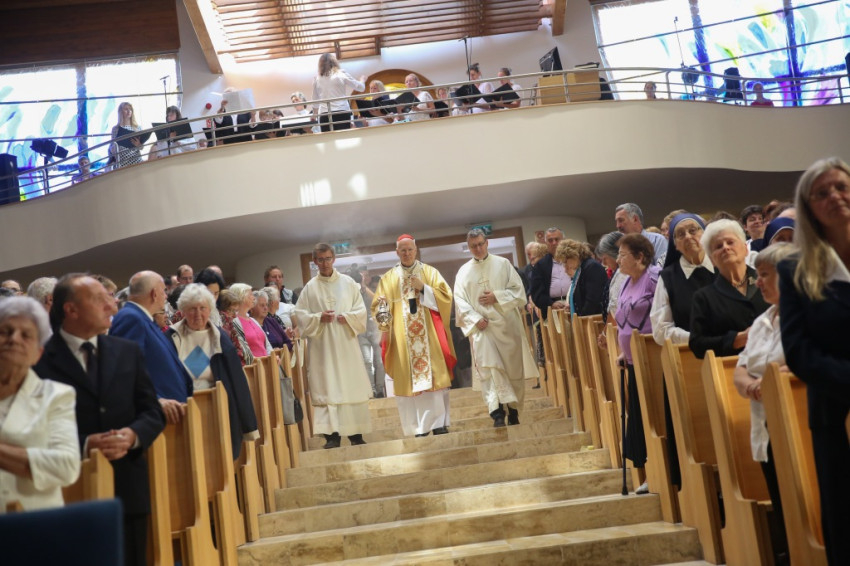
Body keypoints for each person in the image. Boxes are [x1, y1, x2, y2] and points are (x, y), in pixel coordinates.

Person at [34, 274, 165, 566]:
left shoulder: (126, 351)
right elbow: (33, 429)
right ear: (71, 309)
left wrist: (133, 435)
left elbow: (151, 411)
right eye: (99, 300)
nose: (112, 306)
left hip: (127, 488)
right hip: (69, 491)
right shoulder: (38, 361)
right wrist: (84, 444)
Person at [778, 157, 850, 564]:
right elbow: (798, 350)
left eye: (841, 187)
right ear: (809, 208)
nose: (835, 197)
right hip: (835, 412)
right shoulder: (795, 267)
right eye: (822, 193)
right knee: (845, 517)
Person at [733, 243, 794, 565]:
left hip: (796, 423)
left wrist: (770, 380)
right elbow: (740, 368)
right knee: (781, 499)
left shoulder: (808, 314)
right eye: (757, 275)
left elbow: (804, 361)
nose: (758, 282)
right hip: (765, 424)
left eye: (765, 275)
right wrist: (750, 385)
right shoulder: (762, 321)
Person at [0, 296, 80, 511]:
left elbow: (66, 466)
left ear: (38, 354)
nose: (14, 339)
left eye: (26, 335)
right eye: (5, 332)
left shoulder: (56, 395)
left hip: (35, 521)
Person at [373, 234, 456, 437]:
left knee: (434, 379)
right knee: (409, 383)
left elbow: (446, 297)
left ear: (415, 250)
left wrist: (424, 288)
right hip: (403, 341)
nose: (407, 253)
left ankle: (438, 424)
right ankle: (419, 428)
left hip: (429, 337)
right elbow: (378, 308)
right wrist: (383, 311)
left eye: (410, 249)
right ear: (397, 252)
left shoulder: (429, 272)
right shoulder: (388, 279)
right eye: (403, 250)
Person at [454, 229, 537, 427]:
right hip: (483, 329)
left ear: (487, 243)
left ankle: (514, 410)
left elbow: (519, 293)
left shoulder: (503, 264)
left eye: (480, 244)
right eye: (473, 246)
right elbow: (459, 301)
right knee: (489, 370)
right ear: (469, 247)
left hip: (507, 326)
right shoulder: (463, 272)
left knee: (511, 371)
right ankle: (497, 412)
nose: (478, 249)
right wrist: (475, 319)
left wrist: (496, 296)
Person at [165, 284, 258, 459]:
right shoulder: (171, 337)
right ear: (183, 311)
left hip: (218, 409)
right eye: (192, 309)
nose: (198, 314)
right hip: (183, 411)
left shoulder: (220, 337)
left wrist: (248, 425)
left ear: (210, 310)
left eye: (203, 308)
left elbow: (237, 382)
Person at [294, 244, 373, 448]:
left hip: (346, 344)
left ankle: (355, 434)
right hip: (323, 348)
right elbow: (300, 316)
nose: (325, 263)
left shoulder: (348, 283)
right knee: (327, 387)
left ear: (334, 259)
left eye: (328, 258)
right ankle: (332, 437)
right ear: (314, 262)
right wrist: (318, 317)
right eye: (320, 260)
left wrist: (348, 317)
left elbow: (361, 311)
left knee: (349, 386)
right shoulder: (310, 288)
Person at [110, 271, 193, 423]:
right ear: (154, 294)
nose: (166, 296)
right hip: (157, 415)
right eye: (164, 291)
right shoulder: (131, 318)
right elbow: (124, 370)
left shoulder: (144, 319)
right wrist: (156, 399)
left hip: (170, 414)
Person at [614, 233, 661, 494]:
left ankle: (659, 472)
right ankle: (650, 472)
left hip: (651, 359)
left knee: (652, 417)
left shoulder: (654, 278)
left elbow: (663, 315)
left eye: (623, 255)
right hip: (633, 360)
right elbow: (624, 321)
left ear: (640, 256)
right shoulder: (625, 282)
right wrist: (624, 351)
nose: (618, 259)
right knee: (640, 419)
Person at [689, 219, 769, 359]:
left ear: (745, 249)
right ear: (712, 260)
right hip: (732, 368)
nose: (725, 248)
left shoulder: (769, 280)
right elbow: (697, 345)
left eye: (730, 242)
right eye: (718, 246)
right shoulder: (704, 297)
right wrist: (736, 340)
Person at [651, 213, 715, 346]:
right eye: (680, 234)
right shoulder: (668, 278)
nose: (688, 236)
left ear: (705, 234)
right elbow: (660, 329)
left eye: (693, 230)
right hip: (691, 352)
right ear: (675, 244)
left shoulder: (723, 264)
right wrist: (695, 338)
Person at [312, 53, 366, 132]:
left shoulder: (317, 79)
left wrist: (314, 114)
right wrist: (362, 80)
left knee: (328, 138)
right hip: (341, 111)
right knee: (343, 137)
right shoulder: (341, 74)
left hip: (325, 113)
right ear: (335, 62)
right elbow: (360, 87)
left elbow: (315, 100)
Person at [554, 239, 608, 316]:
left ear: (574, 255)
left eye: (566, 261)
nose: (566, 266)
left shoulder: (591, 266)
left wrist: (582, 318)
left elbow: (592, 299)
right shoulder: (581, 268)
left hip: (594, 317)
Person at [529, 227, 569, 320]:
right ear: (546, 243)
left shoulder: (574, 260)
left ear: (563, 240)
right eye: (550, 240)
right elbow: (536, 293)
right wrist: (551, 304)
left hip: (574, 305)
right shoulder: (540, 265)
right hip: (551, 309)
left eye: (557, 239)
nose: (554, 243)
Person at [229, 283, 271, 365]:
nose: (253, 298)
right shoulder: (234, 321)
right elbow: (242, 350)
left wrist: (272, 357)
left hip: (266, 365)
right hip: (252, 367)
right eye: (250, 295)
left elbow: (267, 344)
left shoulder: (253, 320)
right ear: (242, 297)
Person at [596, 231, 626, 323]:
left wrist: (607, 330)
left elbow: (615, 308)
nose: (604, 263)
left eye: (605, 258)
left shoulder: (623, 273)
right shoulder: (616, 272)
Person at [110, 102, 144, 169]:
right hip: (122, 162)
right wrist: (113, 149)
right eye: (126, 109)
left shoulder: (137, 128)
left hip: (136, 160)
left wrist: (138, 144)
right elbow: (112, 146)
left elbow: (141, 147)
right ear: (121, 112)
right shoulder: (115, 129)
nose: (129, 111)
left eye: (130, 109)